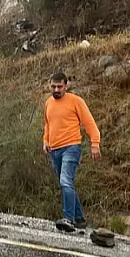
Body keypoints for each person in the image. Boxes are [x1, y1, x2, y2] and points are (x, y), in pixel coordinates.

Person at [43, 72, 101, 232]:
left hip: (71, 147)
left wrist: (95, 143)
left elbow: (89, 123)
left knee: (65, 181)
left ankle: (68, 218)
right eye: (53, 86)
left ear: (66, 86)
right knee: (66, 183)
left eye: (59, 87)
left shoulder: (76, 101)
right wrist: (45, 140)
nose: (56, 89)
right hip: (54, 149)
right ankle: (80, 219)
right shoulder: (48, 103)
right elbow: (48, 124)